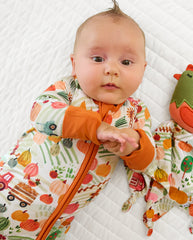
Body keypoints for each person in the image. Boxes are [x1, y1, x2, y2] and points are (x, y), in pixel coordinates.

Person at [0, 1, 155, 239]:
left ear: (143, 70)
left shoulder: (136, 112)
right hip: (11, 192)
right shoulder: (69, 90)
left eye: (126, 62)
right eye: (97, 59)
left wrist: (134, 143)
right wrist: (96, 128)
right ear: (74, 64)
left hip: (57, 224)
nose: (111, 69)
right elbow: (41, 113)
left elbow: (147, 160)